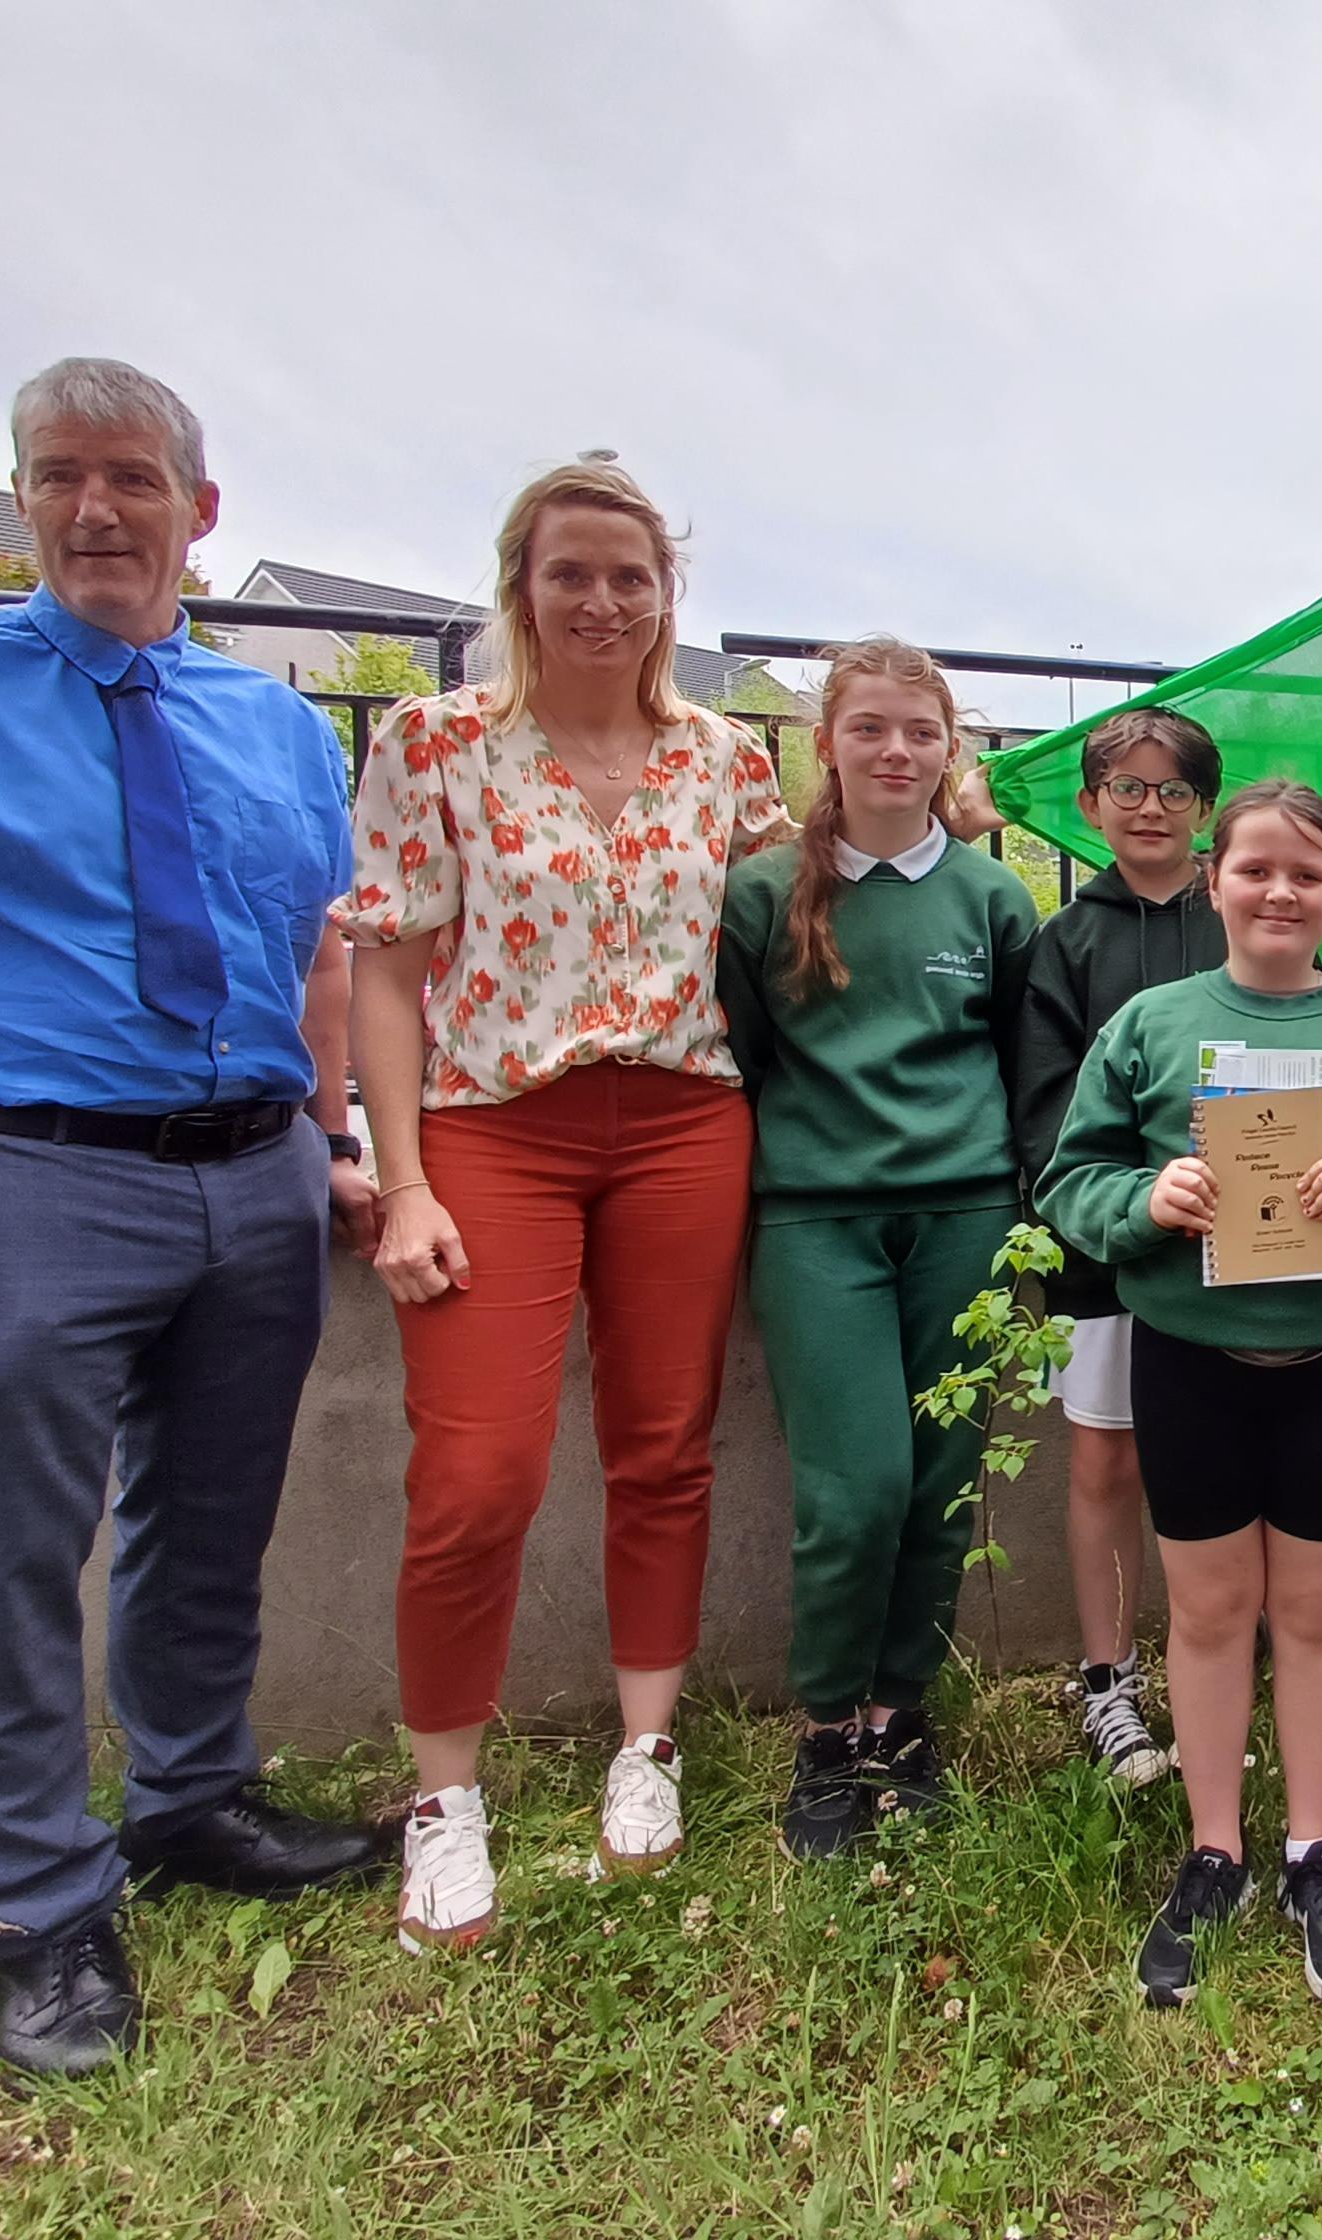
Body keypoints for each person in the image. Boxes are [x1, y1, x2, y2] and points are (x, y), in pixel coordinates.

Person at [0, 358, 383, 2077]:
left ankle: (192, 1799)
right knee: (0, 1557)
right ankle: (35, 1909)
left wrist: (329, 1142)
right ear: (20, 499)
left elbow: (318, 949)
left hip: (250, 1171)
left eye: (133, 478)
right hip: (7, 1170)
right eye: (60, 476)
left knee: (209, 1518)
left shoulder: (268, 722)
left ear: (202, 509)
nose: (98, 508)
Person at [340, 457, 786, 1952]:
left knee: (664, 1446)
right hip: (492, 1130)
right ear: (520, 584)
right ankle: (443, 1802)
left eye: (630, 577)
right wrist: (401, 1183)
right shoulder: (437, 741)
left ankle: (645, 1746)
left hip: (681, 1122)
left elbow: (804, 912)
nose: (601, 601)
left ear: (668, 597)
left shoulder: (725, 757)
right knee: (477, 1473)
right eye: (570, 573)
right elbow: (386, 966)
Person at [1038, 780, 1322, 2009]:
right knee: (1205, 1614)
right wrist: (1144, 1202)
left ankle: (1312, 1847)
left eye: (1308, 873)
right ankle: (1213, 1847)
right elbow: (1069, 1177)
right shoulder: (1150, 1026)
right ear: (1211, 878)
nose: (1280, 891)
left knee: (1310, 1612)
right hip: (1190, 1364)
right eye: (1255, 869)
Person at [718, 639, 1037, 1854]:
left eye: (920, 730)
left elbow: (1017, 1065)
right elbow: (741, 1058)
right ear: (826, 745)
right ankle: (827, 1731)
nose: (897, 751)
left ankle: (902, 1720)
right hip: (816, 1221)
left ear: (949, 747)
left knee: (940, 1488)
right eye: (871, 729)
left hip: (962, 1217)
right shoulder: (761, 894)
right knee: (854, 1494)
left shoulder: (994, 898)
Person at [1011, 708, 1226, 1788]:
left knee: (1221, 1460)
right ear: (1091, 807)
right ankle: (1110, 1681)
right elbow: (1044, 1112)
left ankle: (1214, 1667)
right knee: (1106, 1456)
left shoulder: (1246, 922)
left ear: (1205, 810)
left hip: (1243, 1254)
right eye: (1127, 789)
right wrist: (1127, 1203)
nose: (1150, 809)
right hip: (1104, 1255)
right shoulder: (1064, 943)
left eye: (1174, 790)